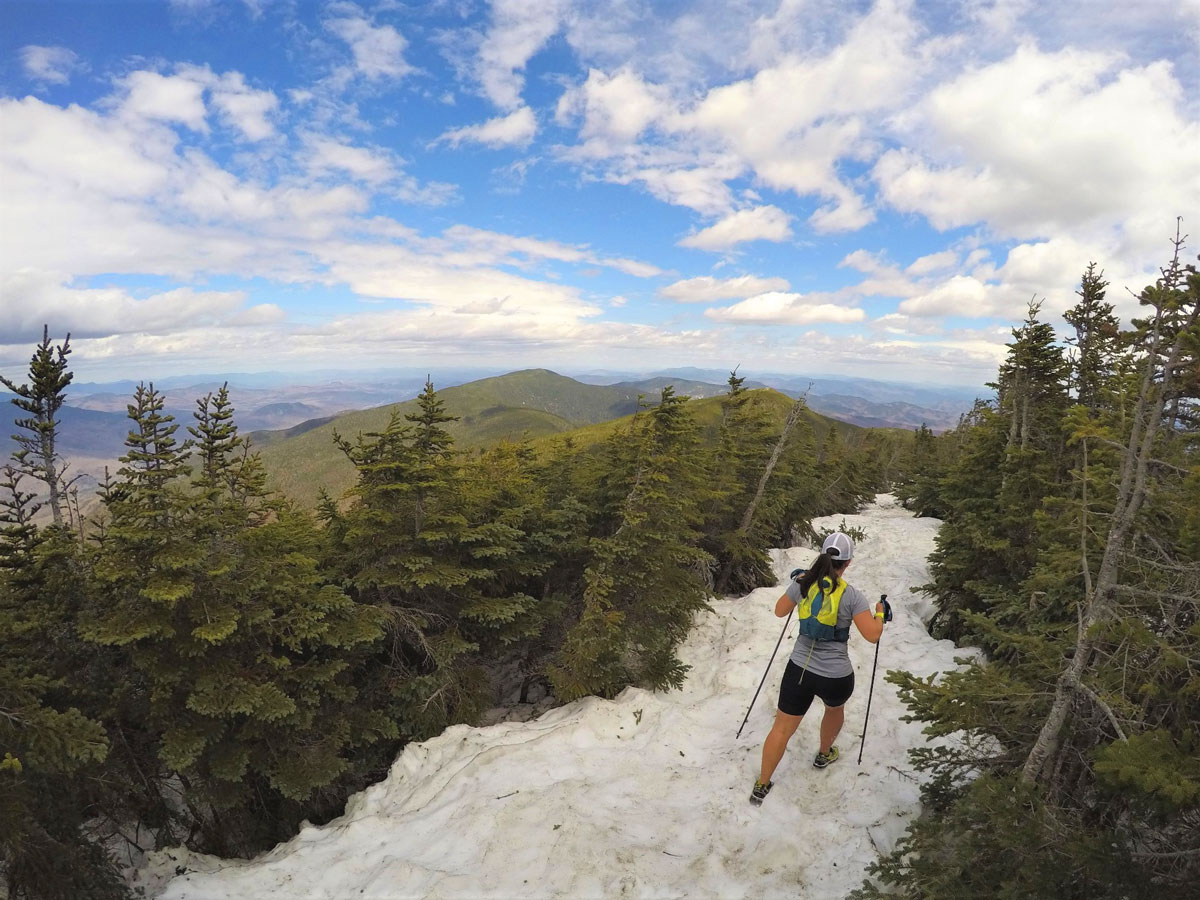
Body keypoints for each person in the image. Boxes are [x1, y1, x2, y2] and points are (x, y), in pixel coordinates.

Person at [749, 531, 888, 805]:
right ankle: (824, 753)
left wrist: (797, 585)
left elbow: (779, 611)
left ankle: (762, 784)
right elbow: (873, 635)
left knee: (781, 728)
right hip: (836, 676)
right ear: (847, 563)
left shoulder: (803, 583)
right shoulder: (852, 596)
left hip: (798, 670)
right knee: (834, 709)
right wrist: (881, 612)